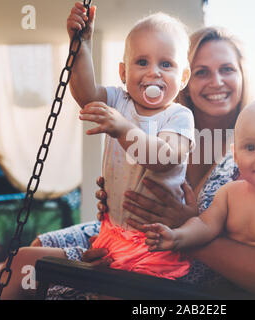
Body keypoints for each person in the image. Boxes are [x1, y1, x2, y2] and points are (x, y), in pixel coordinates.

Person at [0, 18, 255, 300]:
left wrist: (186, 234)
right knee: (28, 261)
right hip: (152, 242)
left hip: (172, 270)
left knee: (26, 267)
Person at [144, 98, 255, 300]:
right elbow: (205, 225)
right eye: (250, 148)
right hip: (221, 290)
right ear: (235, 155)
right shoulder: (229, 193)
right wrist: (178, 237)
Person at [68, 4, 196, 279]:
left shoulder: (179, 116)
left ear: (183, 77)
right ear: (124, 73)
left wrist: (122, 128)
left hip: (153, 243)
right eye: (142, 62)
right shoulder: (118, 101)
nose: (154, 72)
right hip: (112, 231)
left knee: (133, 291)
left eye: (166, 64)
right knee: (99, 286)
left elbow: (164, 158)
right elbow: (85, 93)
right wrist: (82, 44)